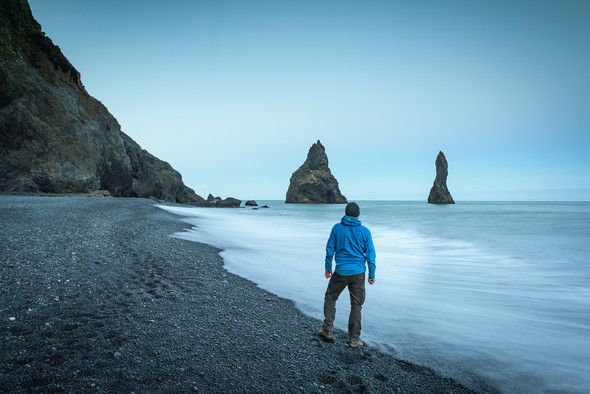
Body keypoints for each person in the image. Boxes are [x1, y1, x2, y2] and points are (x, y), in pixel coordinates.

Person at [319, 202, 376, 348]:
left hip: (341, 271)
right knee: (356, 304)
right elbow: (370, 254)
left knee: (330, 298)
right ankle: (354, 339)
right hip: (358, 273)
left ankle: (327, 330)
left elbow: (329, 249)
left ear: (345, 214)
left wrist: (327, 268)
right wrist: (372, 273)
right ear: (358, 215)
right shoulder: (365, 231)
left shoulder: (337, 228)